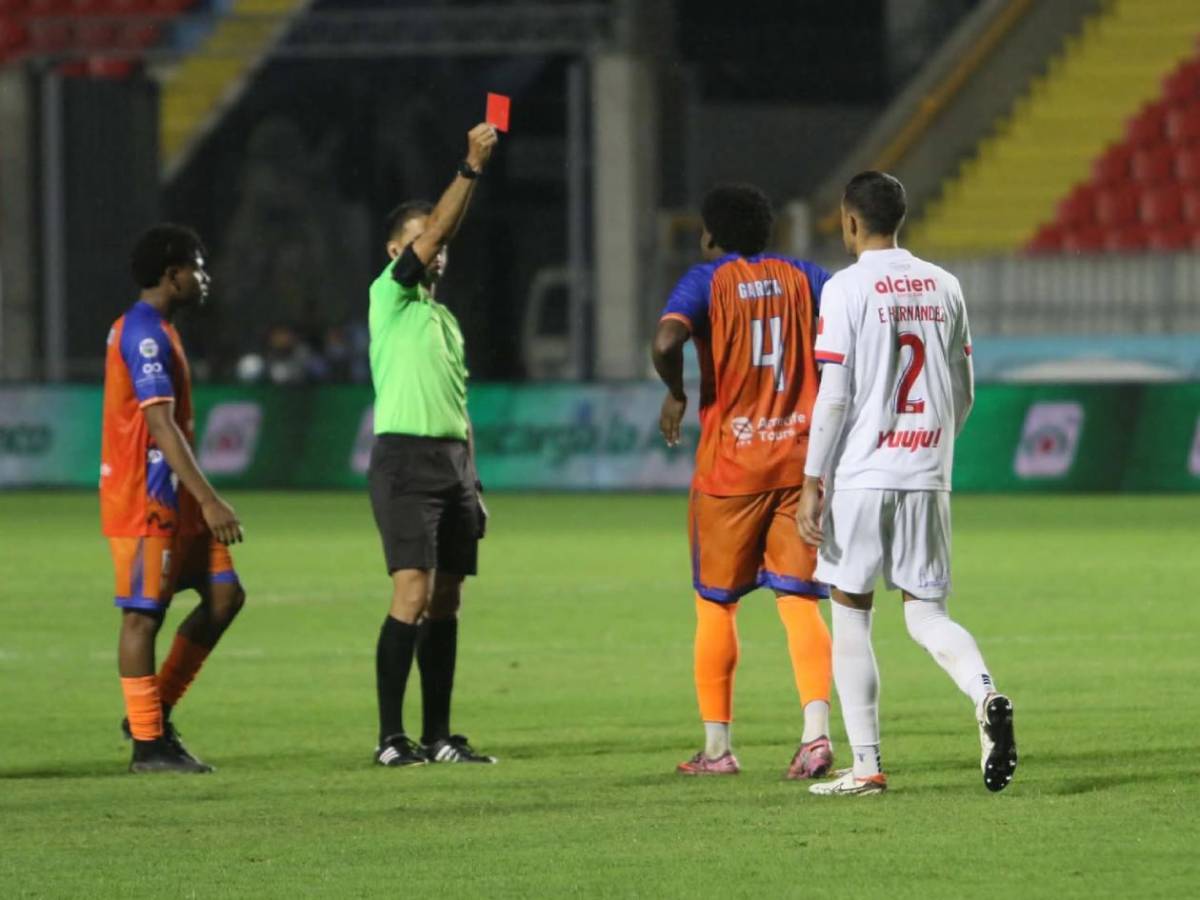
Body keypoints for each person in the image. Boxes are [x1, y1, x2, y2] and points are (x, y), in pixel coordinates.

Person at [798, 171, 1017, 796]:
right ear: (902, 216)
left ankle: (865, 766)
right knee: (926, 614)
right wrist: (935, 447)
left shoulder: (844, 289)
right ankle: (986, 694)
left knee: (851, 615)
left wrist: (814, 478)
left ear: (849, 221)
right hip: (926, 471)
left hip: (864, 475)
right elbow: (963, 389)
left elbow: (834, 394)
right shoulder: (945, 285)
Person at [651, 183, 835, 778]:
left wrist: (677, 391)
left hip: (730, 470)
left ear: (710, 236)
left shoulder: (705, 282)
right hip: (798, 465)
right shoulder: (807, 276)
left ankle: (717, 750)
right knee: (800, 602)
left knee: (715, 606)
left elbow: (665, 340)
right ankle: (815, 736)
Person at [367, 122, 498, 767]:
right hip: (404, 462)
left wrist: (473, 481)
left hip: (450, 464)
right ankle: (391, 738)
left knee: (446, 599)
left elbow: (460, 406)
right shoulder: (387, 297)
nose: (433, 244)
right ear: (396, 249)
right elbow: (441, 229)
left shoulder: (442, 319)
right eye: (419, 236)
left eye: (434, 236)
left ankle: (439, 736)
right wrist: (470, 167)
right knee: (412, 594)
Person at [100, 224, 246, 774]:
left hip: (174, 498)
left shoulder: (158, 328)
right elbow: (159, 424)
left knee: (224, 597)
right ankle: (147, 746)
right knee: (143, 617)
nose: (204, 278)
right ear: (173, 274)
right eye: (198, 267)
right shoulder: (144, 334)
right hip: (147, 497)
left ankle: (150, 711)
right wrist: (211, 500)